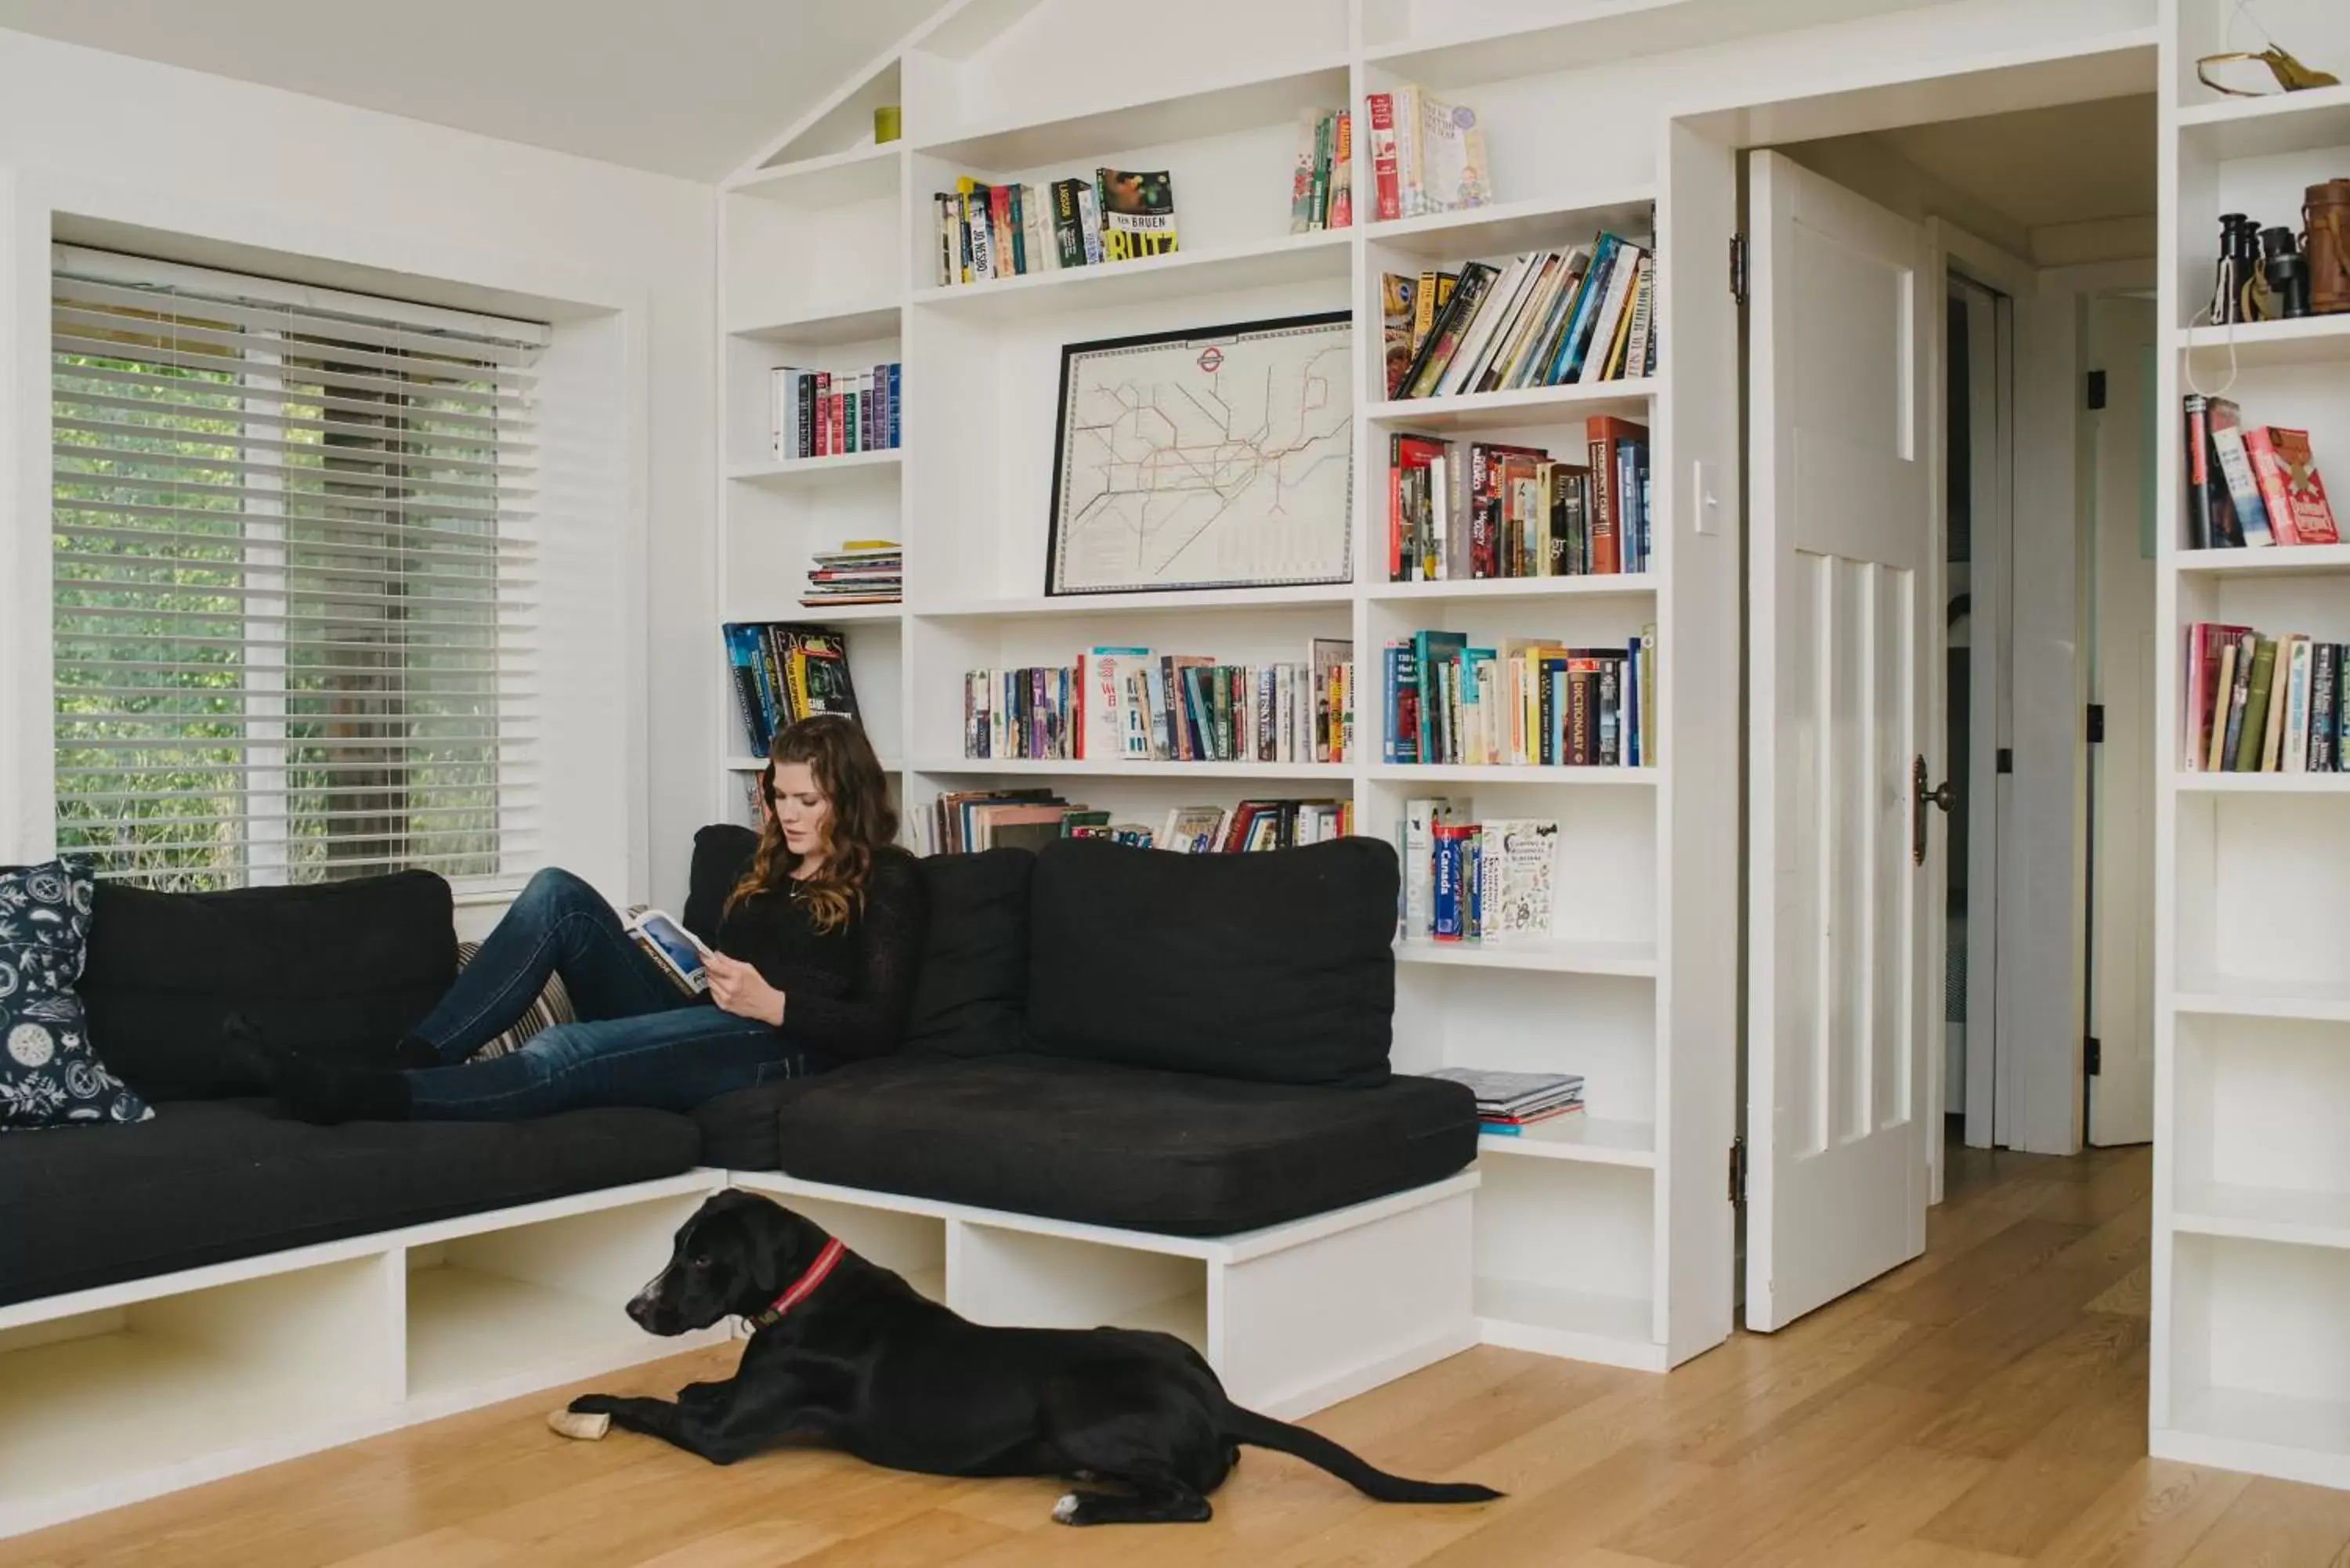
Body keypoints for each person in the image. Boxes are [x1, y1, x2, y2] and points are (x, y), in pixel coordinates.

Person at [242, 716, 926, 1123]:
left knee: (568, 1049)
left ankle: (365, 1096)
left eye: (807, 799)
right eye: (778, 796)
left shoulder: (888, 877)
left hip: (781, 1045)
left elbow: (879, 1025)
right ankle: (412, 1056)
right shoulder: (767, 863)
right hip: (706, 1012)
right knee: (556, 894)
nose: (788, 814)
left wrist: (772, 1003)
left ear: (849, 795)